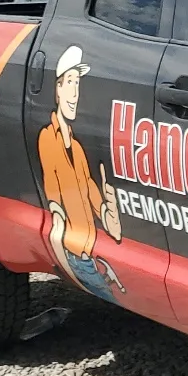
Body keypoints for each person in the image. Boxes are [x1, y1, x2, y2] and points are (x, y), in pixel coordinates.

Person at [36, 45, 124, 301]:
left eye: (78, 83)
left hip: (89, 258)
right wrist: (71, 274)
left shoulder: (77, 147)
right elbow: (56, 214)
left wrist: (110, 213)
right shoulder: (47, 139)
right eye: (70, 82)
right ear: (58, 88)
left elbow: (102, 213)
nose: (75, 92)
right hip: (75, 259)